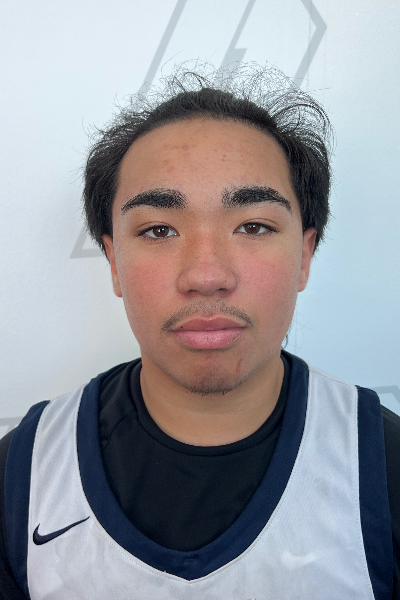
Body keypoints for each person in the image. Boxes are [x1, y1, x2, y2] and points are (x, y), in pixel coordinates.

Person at [0, 64, 399, 599]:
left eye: (253, 226)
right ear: (114, 262)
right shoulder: (24, 474)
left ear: (304, 255)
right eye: (159, 230)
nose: (207, 275)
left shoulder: (383, 466)